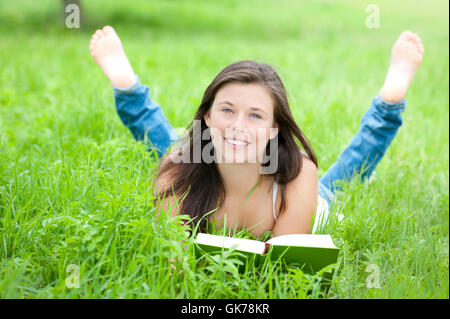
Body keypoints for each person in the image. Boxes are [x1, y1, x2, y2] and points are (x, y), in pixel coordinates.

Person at [89, 26, 424, 237]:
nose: (238, 126)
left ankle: (389, 103)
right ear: (206, 115)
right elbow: (173, 261)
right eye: (227, 110)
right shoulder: (175, 170)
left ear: (273, 128)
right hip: (196, 156)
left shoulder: (299, 174)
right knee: (177, 151)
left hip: (299, 193)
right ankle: (127, 87)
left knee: (342, 178)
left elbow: (283, 265)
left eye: (255, 115)